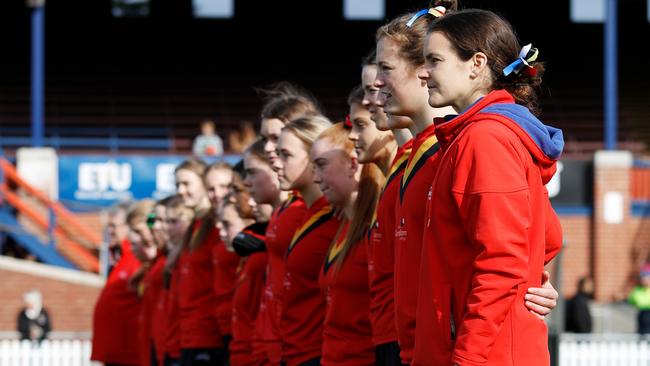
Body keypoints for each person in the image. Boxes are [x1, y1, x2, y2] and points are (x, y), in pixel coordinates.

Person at [415, 9, 564, 365]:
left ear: (476, 63)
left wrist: (468, 357)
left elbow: (501, 263)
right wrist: (532, 276)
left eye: (434, 60)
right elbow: (549, 236)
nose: (424, 73)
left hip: (486, 353)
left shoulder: (485, 139)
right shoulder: (480, 134)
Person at [312, 123, 383, 365]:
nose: (315, 177)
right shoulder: (343, 223)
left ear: (352, 164)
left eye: (321, 165)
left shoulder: (377, 225)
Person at [276, 115, 340, 366]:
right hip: (293, 351)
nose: (276, 163)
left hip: (315, 354)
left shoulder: (335, 216)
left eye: (286, 155)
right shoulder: (306, 214)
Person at [174, 158, 226, 366]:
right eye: (177, 185)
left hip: (209, 334)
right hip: (190, 332)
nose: (180, 190)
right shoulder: (195, 226)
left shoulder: (217, 226)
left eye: (186, 184)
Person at [91, 200, 148, 366]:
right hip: (116, 353)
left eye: (114, 226)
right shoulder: (118, 257)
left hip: (130, 354)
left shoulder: (138, 256)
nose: (110, 231)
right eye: (108, 226)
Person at [204, 162, 241, 360]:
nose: (217, 194)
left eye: (224, 187)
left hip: (238, 325)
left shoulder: (245, 220)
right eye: (210, 189)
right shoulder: (207, 226)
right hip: (217, 325)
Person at [629, 264, 650, 334]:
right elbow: (633, 300)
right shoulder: (637, 290)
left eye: (646, 276)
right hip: (642, 315)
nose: (644, 279)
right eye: (642, 277)